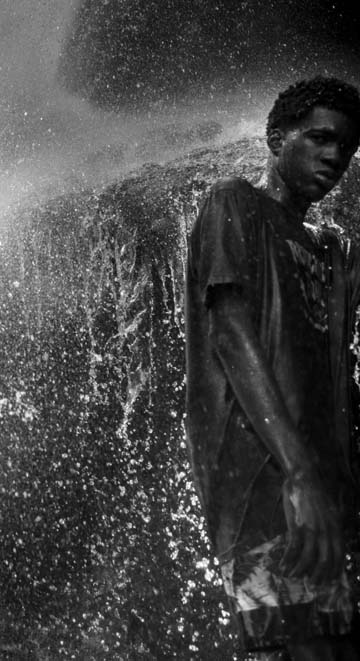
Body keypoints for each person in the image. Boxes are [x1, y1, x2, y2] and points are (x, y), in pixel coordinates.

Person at [184, 75, 360, 659]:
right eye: (319, 138)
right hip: (266, 480)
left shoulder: (325, 249)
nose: (335, 156)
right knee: (293, 650)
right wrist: (300, 475)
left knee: (331, 648)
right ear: (276, 137)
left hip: (319, 491)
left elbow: (331, 382)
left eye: (347, 146)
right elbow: (231, 338)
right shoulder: (234, 202)